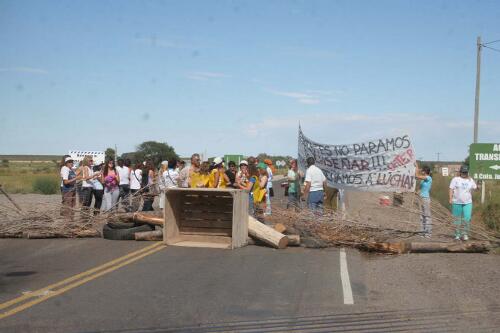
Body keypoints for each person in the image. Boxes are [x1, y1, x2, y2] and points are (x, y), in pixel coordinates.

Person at [449, 165, 477, 241]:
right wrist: (450, 198)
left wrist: (471, 179)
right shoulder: (455, 179)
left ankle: (465, 234)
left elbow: (475, 187)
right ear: (460, 172)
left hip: (467, 203)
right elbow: (451, 188)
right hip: (456, 202)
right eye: (463, 172)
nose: (464, 174)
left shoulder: (470, 180)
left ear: (467, 172)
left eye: (465, 172)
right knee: (457, 219)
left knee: (467, 218)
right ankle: (457, 235)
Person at [415, 164, 432, 238]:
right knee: (422, 216)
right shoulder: (423, 180)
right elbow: (421, 189)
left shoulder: (428, 178)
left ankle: (428, 233)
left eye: (422, 171)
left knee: (427, 216)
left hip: (425, 198)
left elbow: (417, 176)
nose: (422, 172)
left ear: (425, 172)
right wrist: (417, 192)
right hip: (421, 198)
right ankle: (422, 232)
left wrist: (416, 167)